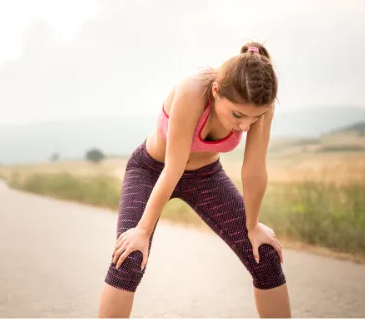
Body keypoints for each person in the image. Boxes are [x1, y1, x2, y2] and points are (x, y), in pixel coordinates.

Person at [97, 41, 291, 318]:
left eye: (254, 117)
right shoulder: (192, 91)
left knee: (265, 256)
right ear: (216, 92)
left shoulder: (260, 104)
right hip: (152, 170)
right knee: (129, 259)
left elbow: (254, 171)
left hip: (206, 177)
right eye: (237, 114)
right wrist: (141, 231)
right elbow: (173, 168)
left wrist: (253, 225)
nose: (245, 126)